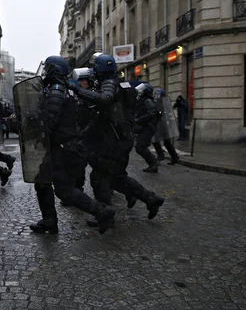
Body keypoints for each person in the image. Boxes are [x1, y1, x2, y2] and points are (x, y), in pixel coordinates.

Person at [70, 54, 165, 225]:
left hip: (114, 140)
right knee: (117, 178)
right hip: (122, 137)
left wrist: (77, 90)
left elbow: (105, 100)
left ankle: (106, 214)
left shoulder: (109, 83)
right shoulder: (122, 83)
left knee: (99, 177)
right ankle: (151, 199)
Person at [28, 55, 116, 235]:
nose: (45, 72)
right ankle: (49, 221)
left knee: (64, 190)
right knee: (42, 182)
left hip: (62, 148)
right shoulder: (57, 89)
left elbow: (49, 122)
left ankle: (102, 211)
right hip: (58, 146)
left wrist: (33, 128)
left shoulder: (56, 90)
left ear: (54, 70)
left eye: (48, 69)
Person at [134, 83, 160, 173]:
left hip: (149, 127)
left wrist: (138, 119)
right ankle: (153, 164)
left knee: (140, 146)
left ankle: (153, 162)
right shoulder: (142, 100)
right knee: (140, 146)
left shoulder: (148, 100)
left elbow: (151, 113)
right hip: (145, 126)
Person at [152, 88, 180, 165]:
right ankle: (174, 157)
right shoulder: (158, 102)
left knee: (156, 140)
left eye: (158, 95)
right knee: (165, 142)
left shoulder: (163, 103)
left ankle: (162, 155)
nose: (157, 96)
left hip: (162, 124)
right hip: (162, 124)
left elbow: (161, 113)